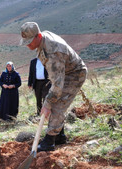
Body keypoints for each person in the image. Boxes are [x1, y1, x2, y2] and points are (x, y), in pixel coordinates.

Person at [20, 22, 87, 151]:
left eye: (29, 41)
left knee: (56, 105)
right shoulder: (42, 40)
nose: (27, 45)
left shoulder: (53, 52)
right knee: (51, 100)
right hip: (63, 74)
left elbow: (57, 86)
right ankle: (60, 137)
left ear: (38, 36)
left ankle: (49, 141)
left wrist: (47, 105)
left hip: (74, 74)